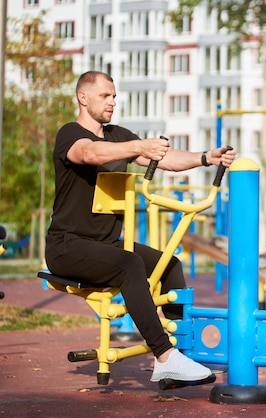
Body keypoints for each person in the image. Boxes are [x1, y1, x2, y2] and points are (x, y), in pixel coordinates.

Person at [45, 71, 236, 384]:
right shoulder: (70, 133)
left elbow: (167, 159)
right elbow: (90, 152)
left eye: (114, 95)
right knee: (130, 263)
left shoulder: (118, 135)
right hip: (67, 246)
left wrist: (205, 157)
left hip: (105, 246)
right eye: (105, 95)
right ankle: (163, 355)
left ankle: (181, 353)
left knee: (169, 264)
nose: (112, 101)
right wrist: (138, 146)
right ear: (83, 98)